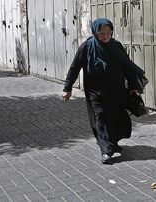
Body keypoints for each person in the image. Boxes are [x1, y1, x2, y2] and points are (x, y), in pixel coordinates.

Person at [62, 18, 146, 164]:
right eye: (101, 33)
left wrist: (133, 87)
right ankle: (106, 150)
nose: (106, 36)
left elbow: (126, 66)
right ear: (95, 32)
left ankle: (113, 143)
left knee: (115, 118)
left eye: (108, 32)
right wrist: (67, 88)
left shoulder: (116, 46)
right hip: (95, 92)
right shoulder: (87, 47)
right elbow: (75, 67)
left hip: (116, 91)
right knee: (100, 117)